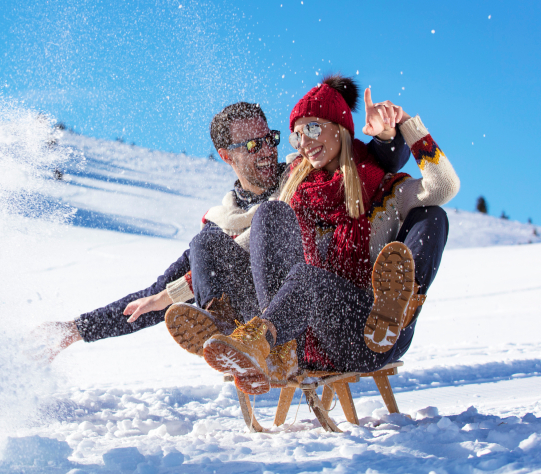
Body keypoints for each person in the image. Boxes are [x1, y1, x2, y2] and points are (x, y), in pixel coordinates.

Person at [33, 98, 411, 361]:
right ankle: (222, 325)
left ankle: (263, 339)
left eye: (269, 139)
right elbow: (157, 295)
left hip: (315, 311)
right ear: (226, 155)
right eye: (251, 144)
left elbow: (373, 164)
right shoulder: (223, 219)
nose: (266, 151)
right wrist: (77, 329)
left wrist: (387, 136)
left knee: (269, 217)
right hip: (254, 325)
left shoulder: (306, 175)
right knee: (205, 244)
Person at [190, 75, 458, 395]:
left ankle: (397, 304)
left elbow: (444, 187)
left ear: (340, 128)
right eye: (296, 136)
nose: (304, 142)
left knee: (432, 216)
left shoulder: (383, 191)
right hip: (299, 341)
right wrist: (190, 284)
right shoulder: (295, 193)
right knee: (211, 240)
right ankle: (231, 336)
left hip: (366, 333)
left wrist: (407, 126)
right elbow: (251, 247)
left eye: (313, 129)